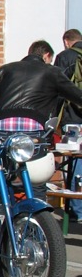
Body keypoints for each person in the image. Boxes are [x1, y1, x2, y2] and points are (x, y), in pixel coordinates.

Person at [53, 29, 82, 220]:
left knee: (74, 160)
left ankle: (75, 210)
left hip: (73, 119)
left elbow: (55, 87)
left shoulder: (65, 57)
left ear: (66, 41)